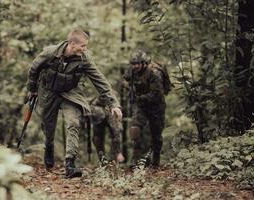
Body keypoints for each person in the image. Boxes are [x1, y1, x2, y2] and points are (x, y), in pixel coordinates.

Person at [27, 29, 122, 178]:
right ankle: (49, 147)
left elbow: (100, 80)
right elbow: (34, 69)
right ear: (71, 44)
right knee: (48, 127)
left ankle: (70, 164)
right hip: (48, 92)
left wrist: (113, 104)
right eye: (82, 46)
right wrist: (32, 89)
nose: (85, 49)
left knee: (74, 122)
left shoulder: (84, 58)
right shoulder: (50, 53)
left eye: (85, 46)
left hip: (70, 94)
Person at [123, 49, 167, 168]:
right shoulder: (132, 72)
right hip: (142, 106)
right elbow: (126, 80)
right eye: (133, 64)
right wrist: (130, 89)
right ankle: (137, 162)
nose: (135, 66)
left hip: (156, 107)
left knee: (156, 135)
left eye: (137, 63)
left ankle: (155, 163)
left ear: (144, 63)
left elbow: (156, 94)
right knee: (135, 129)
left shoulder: (154, 73)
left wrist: (140, 98)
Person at [89, 96, 125, 164]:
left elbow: (117, 132)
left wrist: (118, 151)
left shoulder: (112, 101)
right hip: (97, 109)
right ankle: (102, 159)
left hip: (111, 107)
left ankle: (116, 156)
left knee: (116, 132)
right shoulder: (94, 106)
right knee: (97, 138)